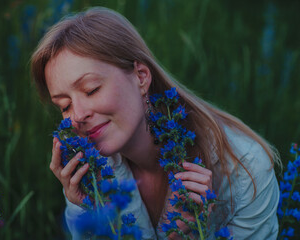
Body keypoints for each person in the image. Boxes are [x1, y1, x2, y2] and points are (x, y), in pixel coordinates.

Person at [31, 7, 280, 240]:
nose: (77, 115)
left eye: (91, 89)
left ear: (141, 77)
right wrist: (87, 210)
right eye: (64, 105)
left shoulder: (246, 170)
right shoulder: (91, 170)